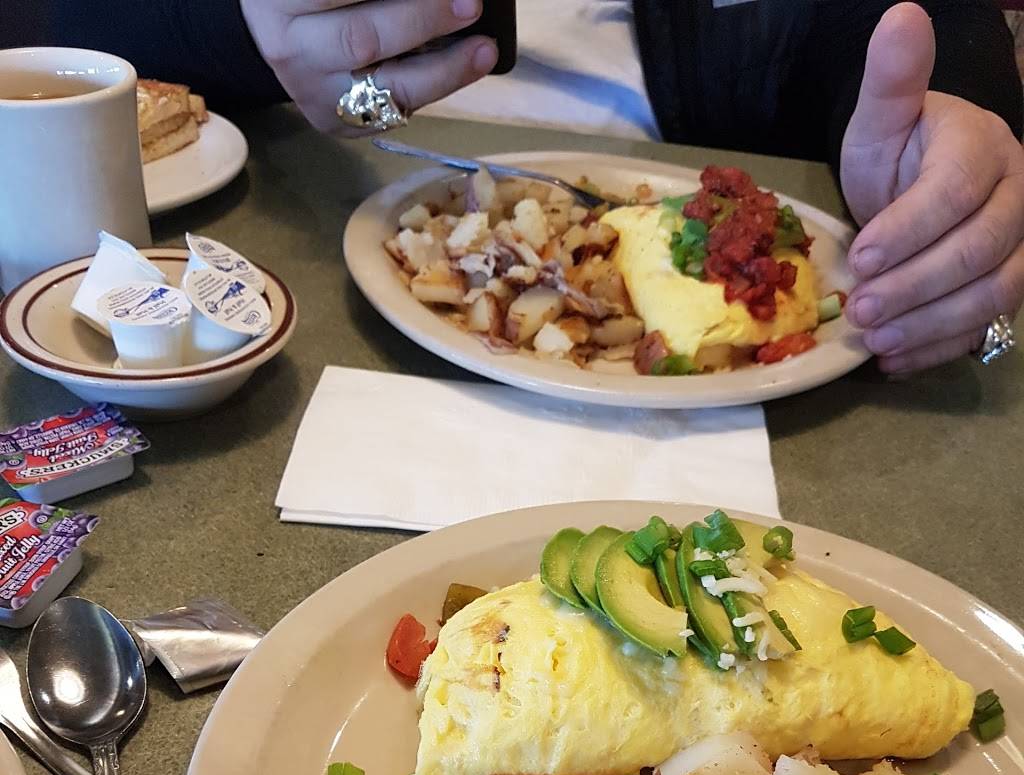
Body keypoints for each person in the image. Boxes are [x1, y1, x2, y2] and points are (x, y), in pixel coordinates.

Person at [7, 1, 1022, 372]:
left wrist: (955, 167)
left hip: (773, 387)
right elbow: (63, 34)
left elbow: (920, 29)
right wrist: (243, 26)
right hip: (274, 274)